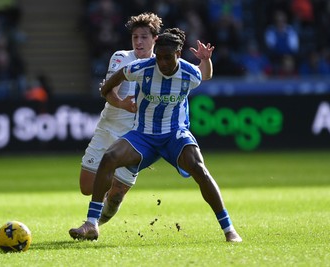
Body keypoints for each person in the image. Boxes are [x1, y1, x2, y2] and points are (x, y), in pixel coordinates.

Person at [69, 28, 242, 242]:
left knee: (199, 168)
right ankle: (91, 224)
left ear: (178, 54)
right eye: (159, 57)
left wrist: (206, 60)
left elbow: (205, 75)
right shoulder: (141, 68)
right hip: (143, 136)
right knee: (110, 157)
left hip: (174, 134)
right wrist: (119, 101)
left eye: (168, 58)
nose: (163, 63)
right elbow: (107, 86)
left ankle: (229, 229)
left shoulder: (188, 73)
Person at [78, 13, 163, 223]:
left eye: (144, 37)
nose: (139, 42)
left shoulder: (162, 64)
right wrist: (122, 103)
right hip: (108, 128)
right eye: (135, 37)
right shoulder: (121, 57)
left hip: (135, 137)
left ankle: (94, 223)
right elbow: (109, 90)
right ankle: (105, 192)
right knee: (86, 187)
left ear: (155, 39)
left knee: (115, 198)